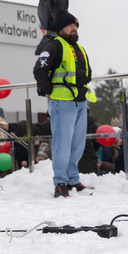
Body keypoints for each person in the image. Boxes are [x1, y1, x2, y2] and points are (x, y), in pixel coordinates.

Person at [33, 10, 96, 198]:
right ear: (61, 29)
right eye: (71, 26)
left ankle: (73, 180)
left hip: (80, 101)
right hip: (62, 101)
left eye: (76, 26)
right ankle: (60, 182)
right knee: (62, 143)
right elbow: (39, 69)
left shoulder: (80, 49)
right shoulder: (54, 46)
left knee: (77, 143)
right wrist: (47, 90)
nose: (74, 29)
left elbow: (88, 72)